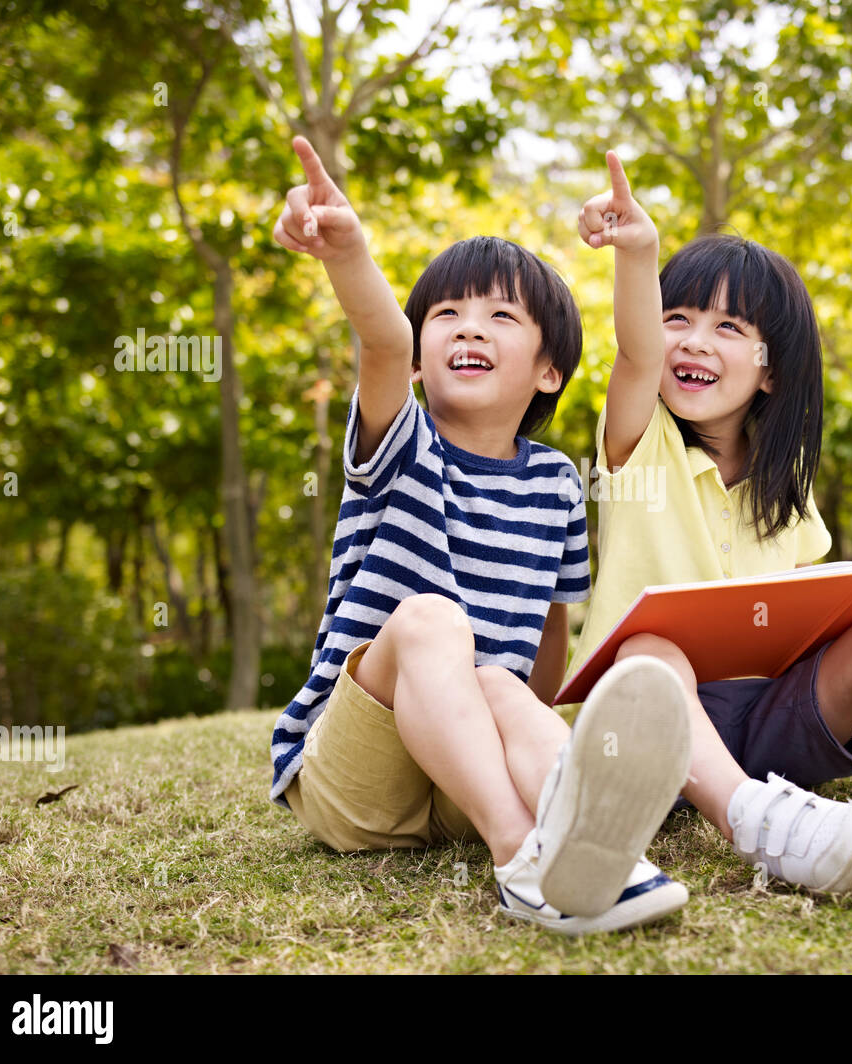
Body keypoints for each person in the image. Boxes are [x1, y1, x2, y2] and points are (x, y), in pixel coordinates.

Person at [566, 151, 852, 894]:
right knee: (648, 648)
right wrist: (639, 253)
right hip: (656, 733)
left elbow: (796, 633)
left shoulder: (789, 491)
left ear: (770, 367)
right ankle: (753, 818)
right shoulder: (637, 445)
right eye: (677, 318)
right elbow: (633, 349)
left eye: (726, 327)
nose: (692, 341)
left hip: (773, 725)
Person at [268, 137, 692, 934]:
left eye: (501, 316)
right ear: (423, 360)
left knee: (501, 681)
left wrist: (537, 734)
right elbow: (381, 337)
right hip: (356, 785)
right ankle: (521, 858)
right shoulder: (401, 443)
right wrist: (349, 248)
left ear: (549, 371)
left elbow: (550, 648)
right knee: (436, 623)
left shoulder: (558, 482)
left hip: (462, 776)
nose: (468, 329)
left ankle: (593, 840)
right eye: (448, 316)